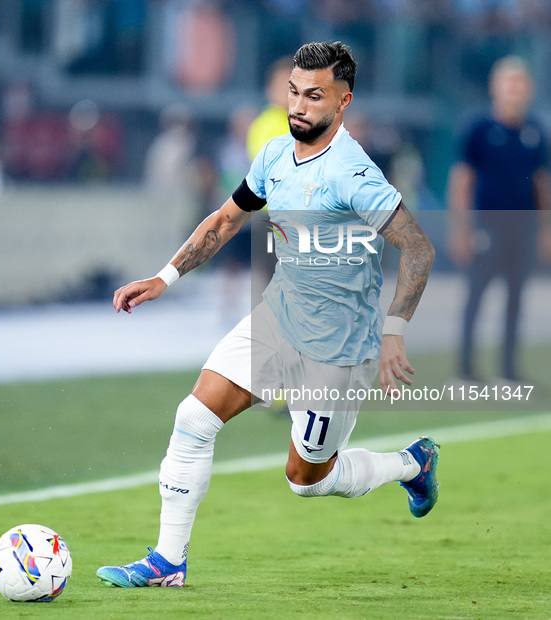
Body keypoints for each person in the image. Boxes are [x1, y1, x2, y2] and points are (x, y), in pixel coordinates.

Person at [97, 41, 439, 589]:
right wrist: (164, 277)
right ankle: (167, 561)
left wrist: (395, 328)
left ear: (343, 101)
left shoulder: (354, 174)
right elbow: (227, 219)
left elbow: (419, 248)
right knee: (193, 419)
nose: (299, 106)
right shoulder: (275, 155)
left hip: (338, 347)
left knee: (306, 481)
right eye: (293, 93)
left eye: (315, 96)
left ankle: (411, 464)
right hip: (279, 319)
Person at [447, 56, 551, 383]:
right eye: (509, 83)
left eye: (521, 83)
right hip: (487, 226)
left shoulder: (535, 131)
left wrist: (546, 229)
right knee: (476, 296)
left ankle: (509, 367)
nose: (515, 90)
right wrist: (461, 229)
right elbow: (462, 180)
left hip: (523, 226)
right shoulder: (478, 129)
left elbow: (541, 182)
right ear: (496, 87)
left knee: (516, 299)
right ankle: (465, 367)